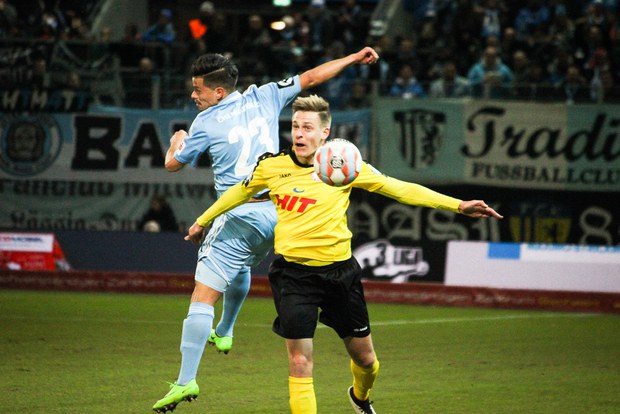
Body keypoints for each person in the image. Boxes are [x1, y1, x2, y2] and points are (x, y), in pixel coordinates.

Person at [184, 95, 503, 414]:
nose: (299, 133)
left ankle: (360, 397)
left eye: (307, 127)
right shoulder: (272, 167)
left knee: (367, 361)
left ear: (325, 132)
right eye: (295, 126)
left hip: (340, 274)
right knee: (299, 361)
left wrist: (458, 205)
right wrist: (203, 220)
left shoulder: (345, 166)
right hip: (293, 276)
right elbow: (239, 193)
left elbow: (399, 188)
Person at [152, 47, 380, 413]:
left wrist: (177, 138)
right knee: (242, 263)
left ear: (218, 92)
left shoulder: (204, 123)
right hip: (278, 213)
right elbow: (312, 77)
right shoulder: (265, 95)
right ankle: (226, 331)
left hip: (239, 213)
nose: (194, 95)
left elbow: (173, 164)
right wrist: (353, 58)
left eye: (198, 89)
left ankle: (185, 380)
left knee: (203, 295)